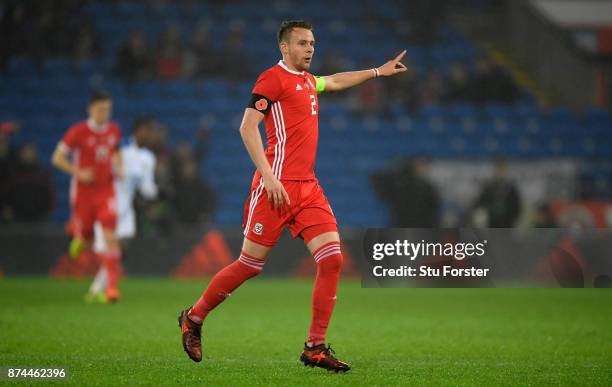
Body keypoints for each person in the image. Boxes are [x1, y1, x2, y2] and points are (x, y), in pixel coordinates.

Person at [177, 20, 407, 372]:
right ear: (285, 48)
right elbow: (246, 127)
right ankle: (193, 318)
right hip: (275, 188)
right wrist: (268, 177)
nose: (310, 48)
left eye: (312, 43)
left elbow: (336, 80)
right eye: (302, 43)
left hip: (308, 188)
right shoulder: (272, 79)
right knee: (249, 266)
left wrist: (378, 71)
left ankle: (315, 347)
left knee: (332, 260)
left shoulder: (306, 81)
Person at [51, 91, 123, 302]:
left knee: (110, 236)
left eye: (107, 109)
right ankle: (79, 236)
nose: (104, 113)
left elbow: (116, 151)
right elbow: (57, 158)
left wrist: (119, 166)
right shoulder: (78, 132)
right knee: (89, 238)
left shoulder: (114, 130)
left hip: (106, 190)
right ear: (90, 109)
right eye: (101, 109)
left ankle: (111, 289)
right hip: (83, 194)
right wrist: (78, 172)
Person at [87, 116, 158, 303]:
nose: (150, 136)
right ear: (138, 130)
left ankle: (100, 289)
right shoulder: (120, 149)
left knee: (119, 248)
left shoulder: (148, 158)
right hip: (108, 202)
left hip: (126, 209)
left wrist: (156, 192)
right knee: (108, 248)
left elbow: (146, 187)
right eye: (148, 131)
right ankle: (100, 289)